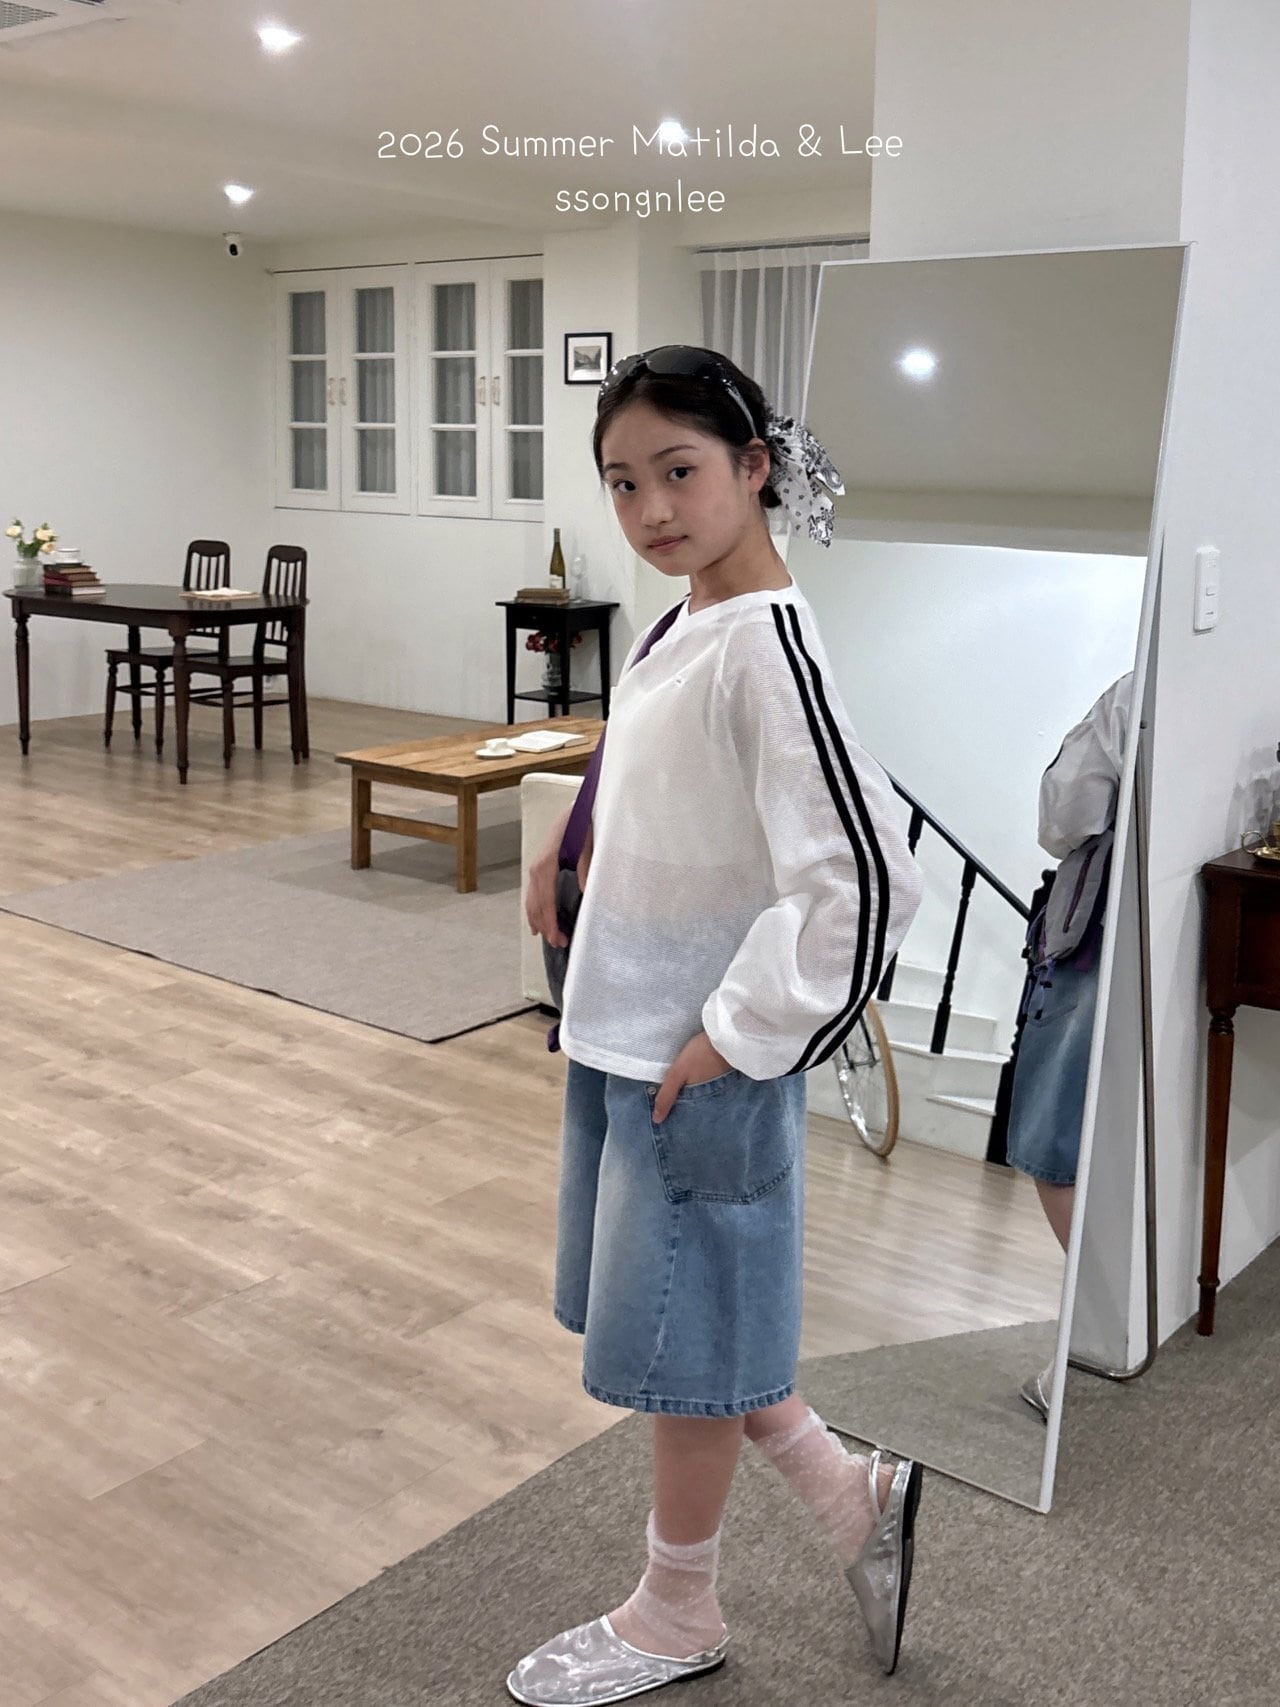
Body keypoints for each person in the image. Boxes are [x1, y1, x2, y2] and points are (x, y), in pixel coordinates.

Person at [511, 346, 925, 1706]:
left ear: (753, 468)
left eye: (678, 471)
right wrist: (566, 836)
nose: (649, 509)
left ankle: (676, 1608)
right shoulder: (686, 619)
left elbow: (867, 879)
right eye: (622, 482)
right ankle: (851, 1494)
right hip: (627, 1032)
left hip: (694, 1056)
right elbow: (648, 754)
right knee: (677, 1309)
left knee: (682, 1342)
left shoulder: (766, 643)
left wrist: (739, 1034)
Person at [1006, 671, 1133, 1420]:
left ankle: (1098, 1331)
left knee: (1053, 1139)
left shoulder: (1138, 690)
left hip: (1102, 926)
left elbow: (1066, 815)